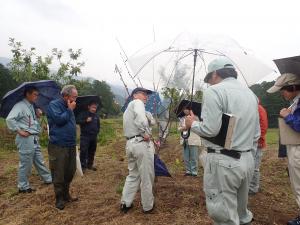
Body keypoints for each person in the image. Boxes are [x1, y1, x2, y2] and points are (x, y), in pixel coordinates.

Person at [185, 56, 260, 225]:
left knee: (224, 215)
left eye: (209, 79)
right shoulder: (251, 94)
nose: (209, 84)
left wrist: (192, 123)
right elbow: (256, 134)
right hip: (247, 160)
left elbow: (210, 130)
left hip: (223, 162)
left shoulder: (215, 91)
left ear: (216, 74)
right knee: (241, 212)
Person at [267, 73, 300, 225]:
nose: (282, 93)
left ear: (293, 87)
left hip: (298, 149)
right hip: (293, 147)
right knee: (296, 184)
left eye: (284, 90)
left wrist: (288, 116)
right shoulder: (295, 102)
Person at [6, 86, 52, 193]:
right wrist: (19, 131)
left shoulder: (31, 106)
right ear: (28, 94)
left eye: (37, 95)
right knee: (26, 163)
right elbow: (10, 119)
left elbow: (31, 122)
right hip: (25, 139)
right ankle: (23, 187)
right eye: (35, 94)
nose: (37, 97)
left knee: (39, 160)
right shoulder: (20, 106)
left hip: (34, 138)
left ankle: (48, 179)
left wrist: (38, 116)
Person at [120, 87, 155, 214]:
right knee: (146, 175)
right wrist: (145, 132)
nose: (146, 97)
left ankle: (126, 203)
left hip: (130, 143)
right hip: (140, 143)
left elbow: (152, 121)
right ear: (135, 95)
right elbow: (141, 121)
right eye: (143, 94)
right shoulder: (137, 103)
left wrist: (148, 118)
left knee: (133, 174)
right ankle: (147, 206)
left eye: (147, 95)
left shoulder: (129, 109)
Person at [47, 85, 78, 210]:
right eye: (74, 97)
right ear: (65, 96)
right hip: (58, 145)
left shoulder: (70, 106)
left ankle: (66, 194)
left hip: (70, 144)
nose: (76, 100)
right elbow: (59, 120)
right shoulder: (54, 105)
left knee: (70, 171)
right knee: (58, 173)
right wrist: (70, 110)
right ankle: (59, 198)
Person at [249, 100, 268, 195]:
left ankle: (253, 188)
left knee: (255, 166)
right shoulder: (253, 108)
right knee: (250, 164)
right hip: (252, 141)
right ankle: (251, 185)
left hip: (258, 142)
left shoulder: (259, 109)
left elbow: (263, 125)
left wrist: (260, 139)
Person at [178, 105, 204, 176]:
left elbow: (199, 127)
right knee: (186, 157)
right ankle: (188, 171)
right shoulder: (182, 118)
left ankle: (194, 172)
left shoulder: (195, 118)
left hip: (193, 139)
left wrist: (191, 124)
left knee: (194, 157)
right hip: (184, 139)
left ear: (190, 110)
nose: (185, 110)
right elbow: (179, 128)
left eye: (187, 109)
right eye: (184, 109)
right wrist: (184, 127)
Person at [76, 101, 100, 172]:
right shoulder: (84, 114)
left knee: (92, 151)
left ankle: (90, 165)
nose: (94, 109)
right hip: (85, 136)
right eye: (93, 107)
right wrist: (85, 120)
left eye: (95, 108)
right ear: (88, 106)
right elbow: (77, 121)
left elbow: (98, 125)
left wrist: (96, 132)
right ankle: (83, 167)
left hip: (94, 137)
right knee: (83, 151)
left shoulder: (96, 116)